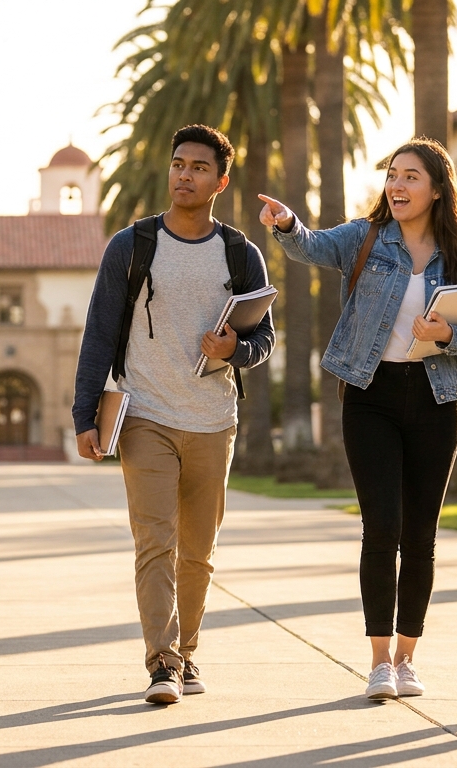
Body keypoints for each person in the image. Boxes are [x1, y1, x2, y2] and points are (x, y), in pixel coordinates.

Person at [259, 138, 457, 700]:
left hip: (437, 399)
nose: (397, 186)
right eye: (392, 175)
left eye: (410, 177)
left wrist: (445, 336)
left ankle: (408, 657)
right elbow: (310, 247)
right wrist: (287, 223)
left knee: (421, 535)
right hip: (370, 394)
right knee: (381, 527)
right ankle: (378, 661)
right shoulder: (364, 238)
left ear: (437, 189)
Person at [72, 124, 275, 705]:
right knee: (154, 541)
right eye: (178, 164)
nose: (185, 175)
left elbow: (263, 337)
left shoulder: (241, 253)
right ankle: (160, 664)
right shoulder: (131, 246)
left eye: (199, 168)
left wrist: (234, 350)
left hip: (215, 420)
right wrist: (86, 415)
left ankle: (187, 653)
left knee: (197, 551)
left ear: (221, 180)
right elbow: (99, 334)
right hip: (146, 417)